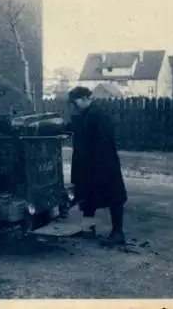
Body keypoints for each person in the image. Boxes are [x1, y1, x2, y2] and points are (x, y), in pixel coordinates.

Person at [66, 86, 128, 246]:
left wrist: (94, 162)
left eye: (76, 102)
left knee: (114, 196)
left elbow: (102, 141)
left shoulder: (97, 115)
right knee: (87, 196)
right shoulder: (86, 114)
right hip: (91, 165)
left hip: (103, 164)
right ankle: (88, 229)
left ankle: (118, 233)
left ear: (85, 99)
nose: (74, 106)